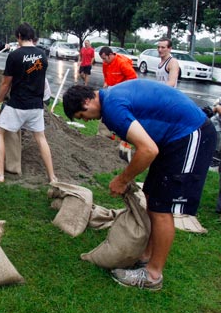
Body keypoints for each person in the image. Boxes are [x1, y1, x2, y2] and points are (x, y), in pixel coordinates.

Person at [62, 80, 216, 290]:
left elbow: (148, 150)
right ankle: (146, 257)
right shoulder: (112, 99)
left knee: (163, 208)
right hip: (173, 140)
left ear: (87, 101)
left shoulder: (113, 108)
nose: (86, 121)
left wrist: (122, 180)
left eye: (82, 116)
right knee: (152, 197)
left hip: (190, 136)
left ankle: (153, 275)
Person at [0, 23, 57, 183]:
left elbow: (5, 83)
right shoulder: (42, 55)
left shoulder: (15, 55)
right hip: (37, 105)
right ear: (32, 37)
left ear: (18, 37)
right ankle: (52, 177)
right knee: (40, 138)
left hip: (17, 104)